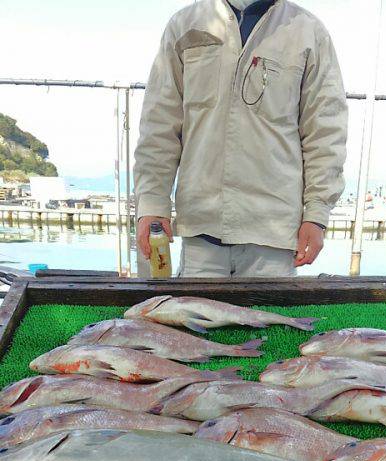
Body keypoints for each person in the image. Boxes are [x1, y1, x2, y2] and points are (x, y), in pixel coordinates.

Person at [135, 0, 348, 278]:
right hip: (201, 231)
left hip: (274, 236)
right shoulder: (184, 25)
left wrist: (317, 214)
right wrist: (152, 202)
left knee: (274, 322)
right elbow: (159, 123)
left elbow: (325, 131)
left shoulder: (309, 32)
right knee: (192, 320)